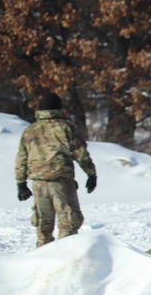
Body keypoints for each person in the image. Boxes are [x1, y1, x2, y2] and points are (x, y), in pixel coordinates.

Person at [15, 92, 97, 247]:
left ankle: (42, 260)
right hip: (62, 183)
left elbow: (21, 158)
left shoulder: (30, 130)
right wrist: (91, 174)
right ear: (59, 108)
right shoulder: (66, 128)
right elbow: (81, 153)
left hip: (39, 184)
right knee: (68, 223)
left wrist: (21, 183)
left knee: (43, 226)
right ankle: (66, 257)